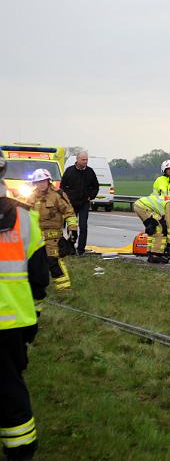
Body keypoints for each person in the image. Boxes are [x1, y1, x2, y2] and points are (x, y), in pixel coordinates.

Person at [0, 157, 50, 461]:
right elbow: (39, 278)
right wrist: (35, 317)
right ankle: (20, 452)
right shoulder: (24, 218)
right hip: (13, 325)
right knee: (10, 392)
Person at [25, 169, 78, 291]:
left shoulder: (57, 195)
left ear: (48, 181)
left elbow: (69, 213)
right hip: (36, 238)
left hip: (53, 237)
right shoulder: (32, 197)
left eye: (43, 181)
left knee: (53, 262)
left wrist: (73, 230)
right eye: (38, 182)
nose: (41, 184)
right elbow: (25, 215)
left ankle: (64, 289)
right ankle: (37, 289)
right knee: (35, 264)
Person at [59, 151, 99, 255]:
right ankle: (71, 246)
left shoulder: (90, 172)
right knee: (72, 226)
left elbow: (95, 186)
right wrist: (65, 198)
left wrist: (91, 196)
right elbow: (62, 186)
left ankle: (81, 249)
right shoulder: (70, 171)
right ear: (77, 160)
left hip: (84, 203)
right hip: (71, 204)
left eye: (86, 160)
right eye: (83, 160)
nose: (85, 162)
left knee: (83, 226)